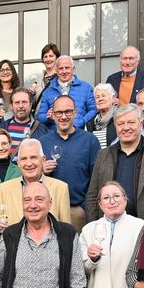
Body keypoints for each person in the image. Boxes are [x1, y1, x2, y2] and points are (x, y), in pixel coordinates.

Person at [39, 94, 100, 232]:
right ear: (53, 115)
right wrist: (42, 171)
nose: (64, 116)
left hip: (77, 210)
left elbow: (96, 178)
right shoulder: (43, 142)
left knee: (76, 252)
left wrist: (84, 208)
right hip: (48, 210)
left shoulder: (89, 141)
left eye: (68, 112)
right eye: (59, 112)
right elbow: (31, 176)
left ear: (75, 113)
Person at [0, 138, 71, 236]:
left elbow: (66, 232)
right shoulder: (3, 189)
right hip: (13, 248)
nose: (29, 164)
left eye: (33, 157)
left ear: (43, 160)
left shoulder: (60, 188)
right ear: (18, 163)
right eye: (24, 159)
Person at [37, 55, 96, 131]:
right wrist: (47, 117)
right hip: (55, 135)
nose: (64, 71)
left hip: (79, 133)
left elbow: (94, 110)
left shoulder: (86, 88)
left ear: (73, 69)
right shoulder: (47, 92)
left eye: (67, 68)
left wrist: (82, 121)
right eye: (61, 68)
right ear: (56, 70)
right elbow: (40, 116)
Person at [0, 88, 49, 160]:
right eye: (17, 102)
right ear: (11, 106)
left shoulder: (42, 129)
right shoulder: (1, 128)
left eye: (24, 102)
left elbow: (46, 155)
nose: (21, 106)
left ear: (30, 105)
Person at [85, 83, 119, 149]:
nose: (100, 99)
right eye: (97, 97)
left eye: (103, 96)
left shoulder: (120, 118)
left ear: (113, 98)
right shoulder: (90, 123)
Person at [31, 43, 61, 116]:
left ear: (57, 58)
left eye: (51, 56)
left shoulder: (61, 77)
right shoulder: (37, 80)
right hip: (39, 120)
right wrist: (31, 95)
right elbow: (33, 103)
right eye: (45, 57)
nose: (48, 59)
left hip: (56, 118)